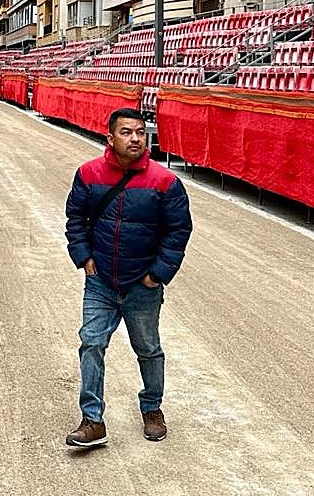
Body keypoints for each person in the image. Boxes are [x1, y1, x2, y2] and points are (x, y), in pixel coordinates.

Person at [63, 108, 192, 447]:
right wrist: (83, 256)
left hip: (142, 285)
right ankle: (92, 420)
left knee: (148, 348)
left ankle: (152, 408)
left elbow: (178, 232)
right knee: (91, 343)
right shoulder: (88, 174)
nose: (135, 138)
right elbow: (75, 218)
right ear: (110, 137)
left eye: (140, 132)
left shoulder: (165, 182)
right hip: (101, 281)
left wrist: (157, 274)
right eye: (126, 132)